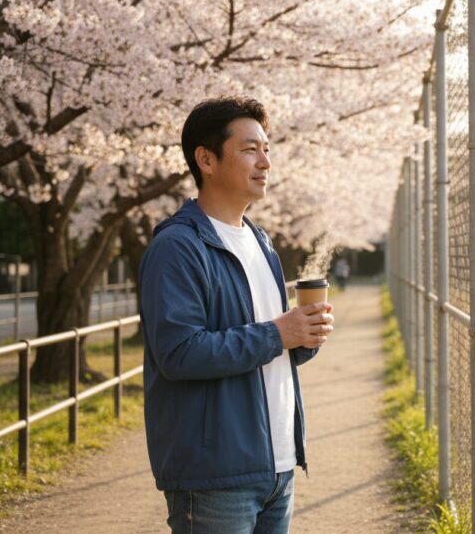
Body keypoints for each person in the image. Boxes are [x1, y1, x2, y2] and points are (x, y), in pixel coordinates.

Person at [138, 97, 334, 534]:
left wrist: (303, 336)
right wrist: (277, 335)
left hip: (278, 466)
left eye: (267, 149)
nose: (265, 161)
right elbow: (179, 353)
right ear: (206, 159)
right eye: (250, 150)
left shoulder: (260, 242)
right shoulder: (177, 248)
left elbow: (267, 342)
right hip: (215, 474)